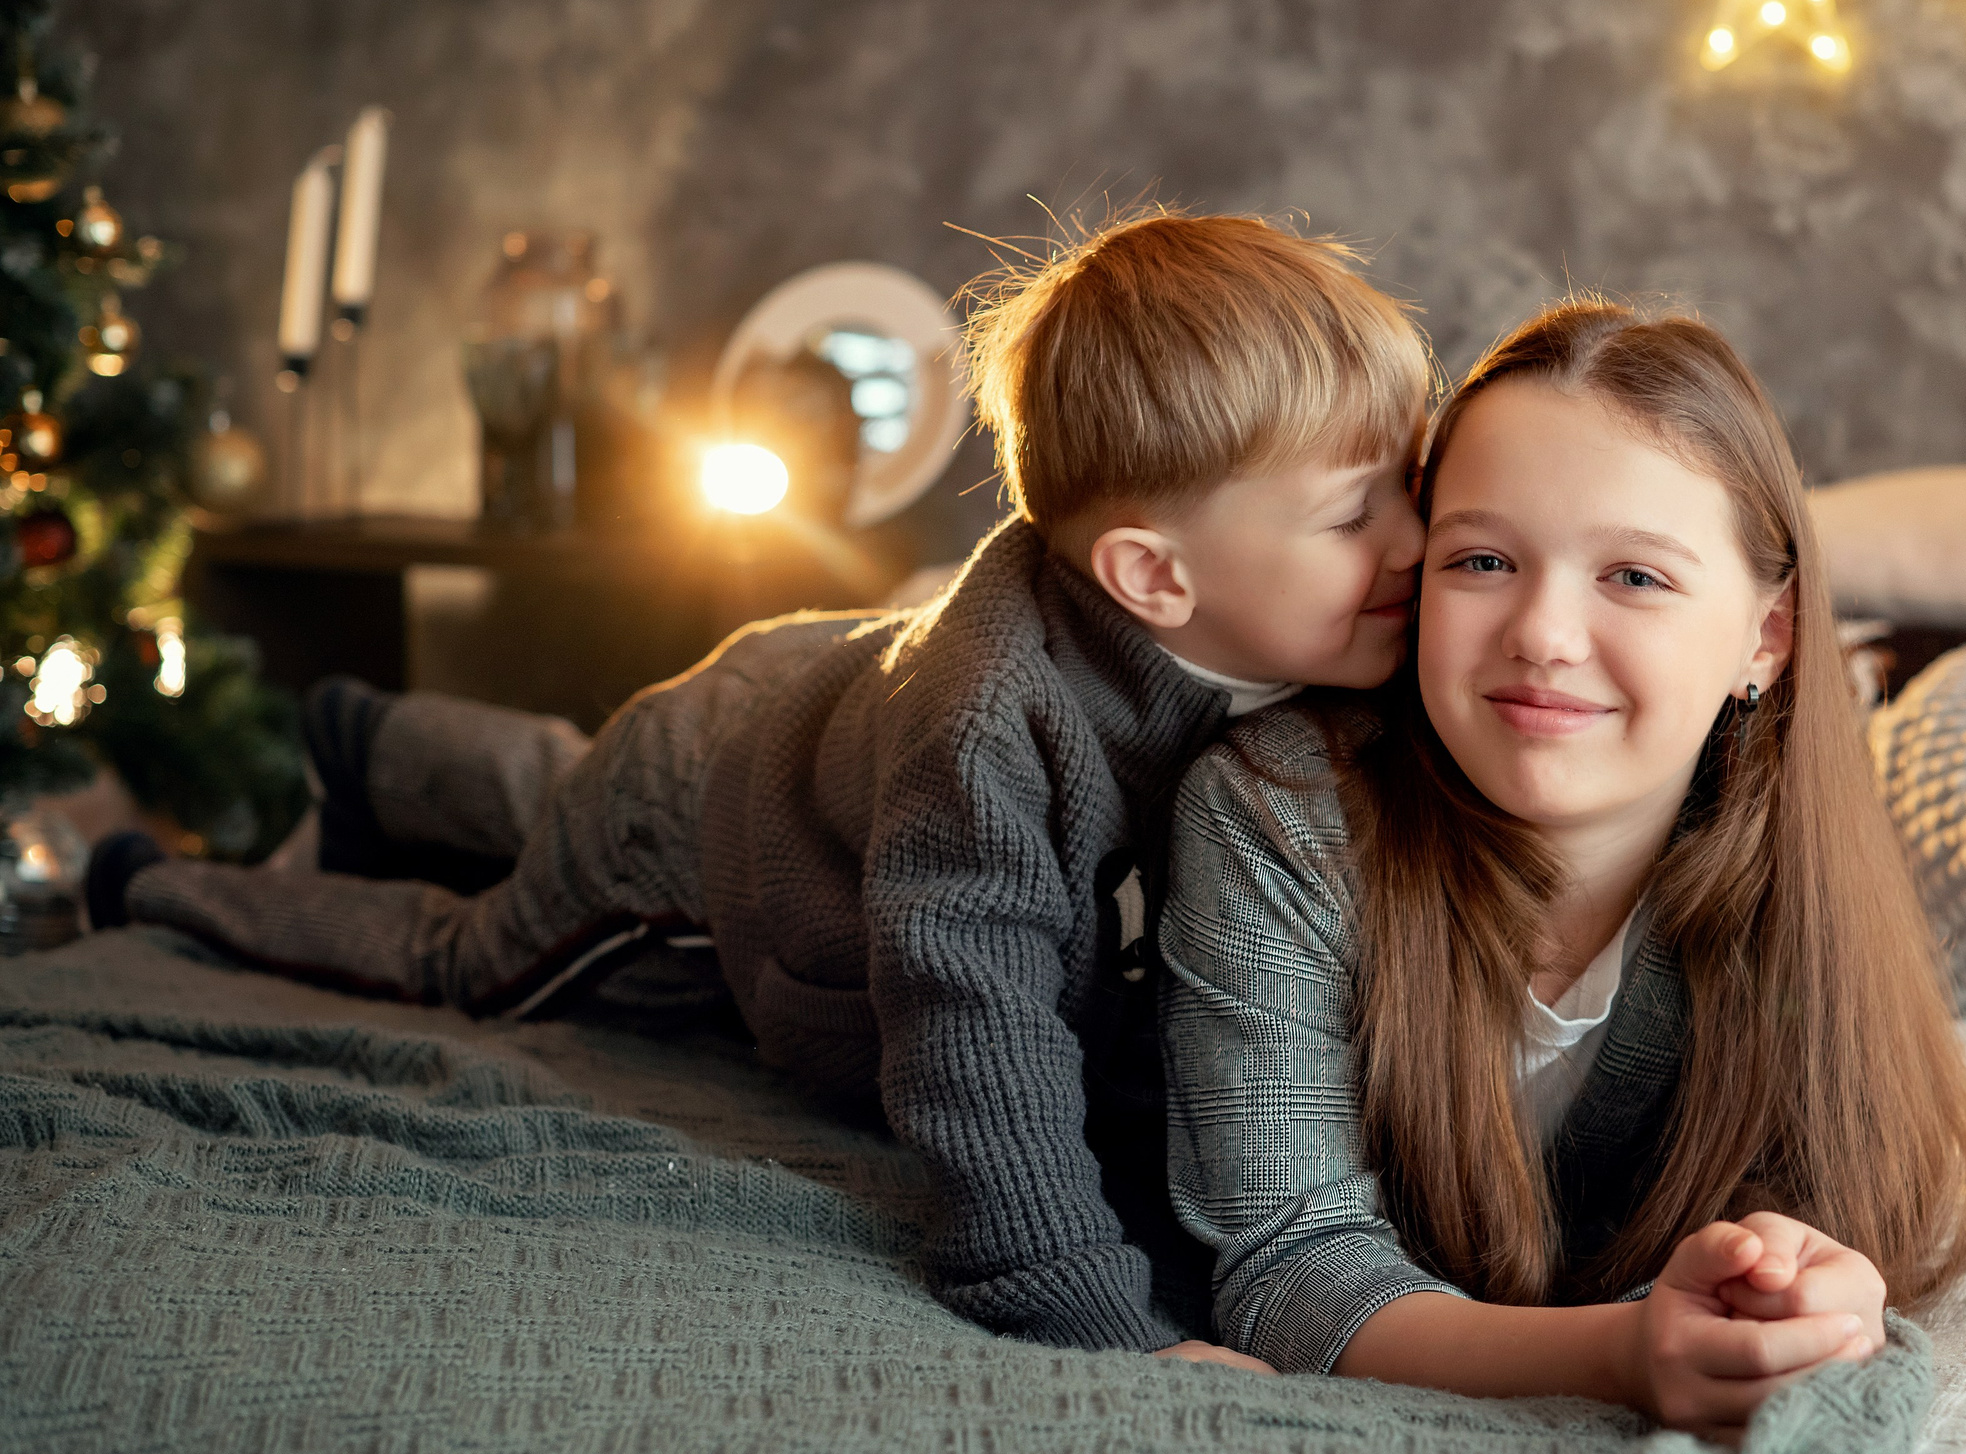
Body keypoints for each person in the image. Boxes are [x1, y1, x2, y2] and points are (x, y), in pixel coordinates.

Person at [88, 211, 1434, 1359]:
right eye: (1354, 515)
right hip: (692, 827)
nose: (1418, 544)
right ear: (1155, 578)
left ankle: (370, 742)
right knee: (483, 945)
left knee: (552, 773)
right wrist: (1079, 1307)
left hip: (810, 703)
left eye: (1414, 487)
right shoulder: (988, 738)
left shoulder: (1318, 634)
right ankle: (173, 883)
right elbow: (979, 1028)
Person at [1157, 300, 1966, 1432]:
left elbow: (1842, 1190)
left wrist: (1799, 1282)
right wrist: (1619, 1350)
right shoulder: (1275, 810)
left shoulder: (1789, 883)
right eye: (1483, 558)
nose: (1544, 632)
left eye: (1635, 577)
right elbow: (1288, 1267)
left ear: (1767, 636)